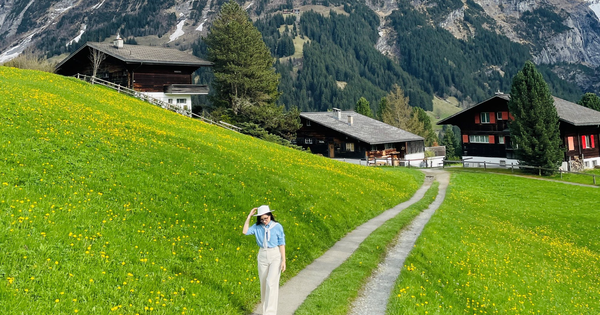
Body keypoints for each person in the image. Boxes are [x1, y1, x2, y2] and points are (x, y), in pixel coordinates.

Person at [243, 205, 286, 315]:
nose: (264, 221)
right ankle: (265, 310)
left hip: (275, 255)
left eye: (266, 218)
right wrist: (249, 216)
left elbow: (282, 243)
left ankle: (270, 313)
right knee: (263, 283)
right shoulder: (257, 227)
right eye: (261, 219)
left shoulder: (277, 227)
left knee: (271, 282)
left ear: (270, 216)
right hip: (262, 254)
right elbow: (245, 231)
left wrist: (283, 260)